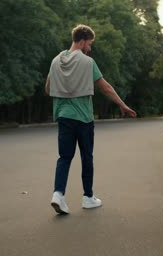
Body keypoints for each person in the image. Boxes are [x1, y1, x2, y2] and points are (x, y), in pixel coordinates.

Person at [45, 24, 137, 214]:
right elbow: (106, 88)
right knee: (86, 157)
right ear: (82, 40)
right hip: (84, 118)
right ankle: (88, 197)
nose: (90, 47)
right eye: (89, 43)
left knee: (64, 157)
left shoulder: (55, 61)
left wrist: (65, 88)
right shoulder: (88, 63)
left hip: (63, 116)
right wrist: (123, 104)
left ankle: (58, 194)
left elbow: (48, 88)